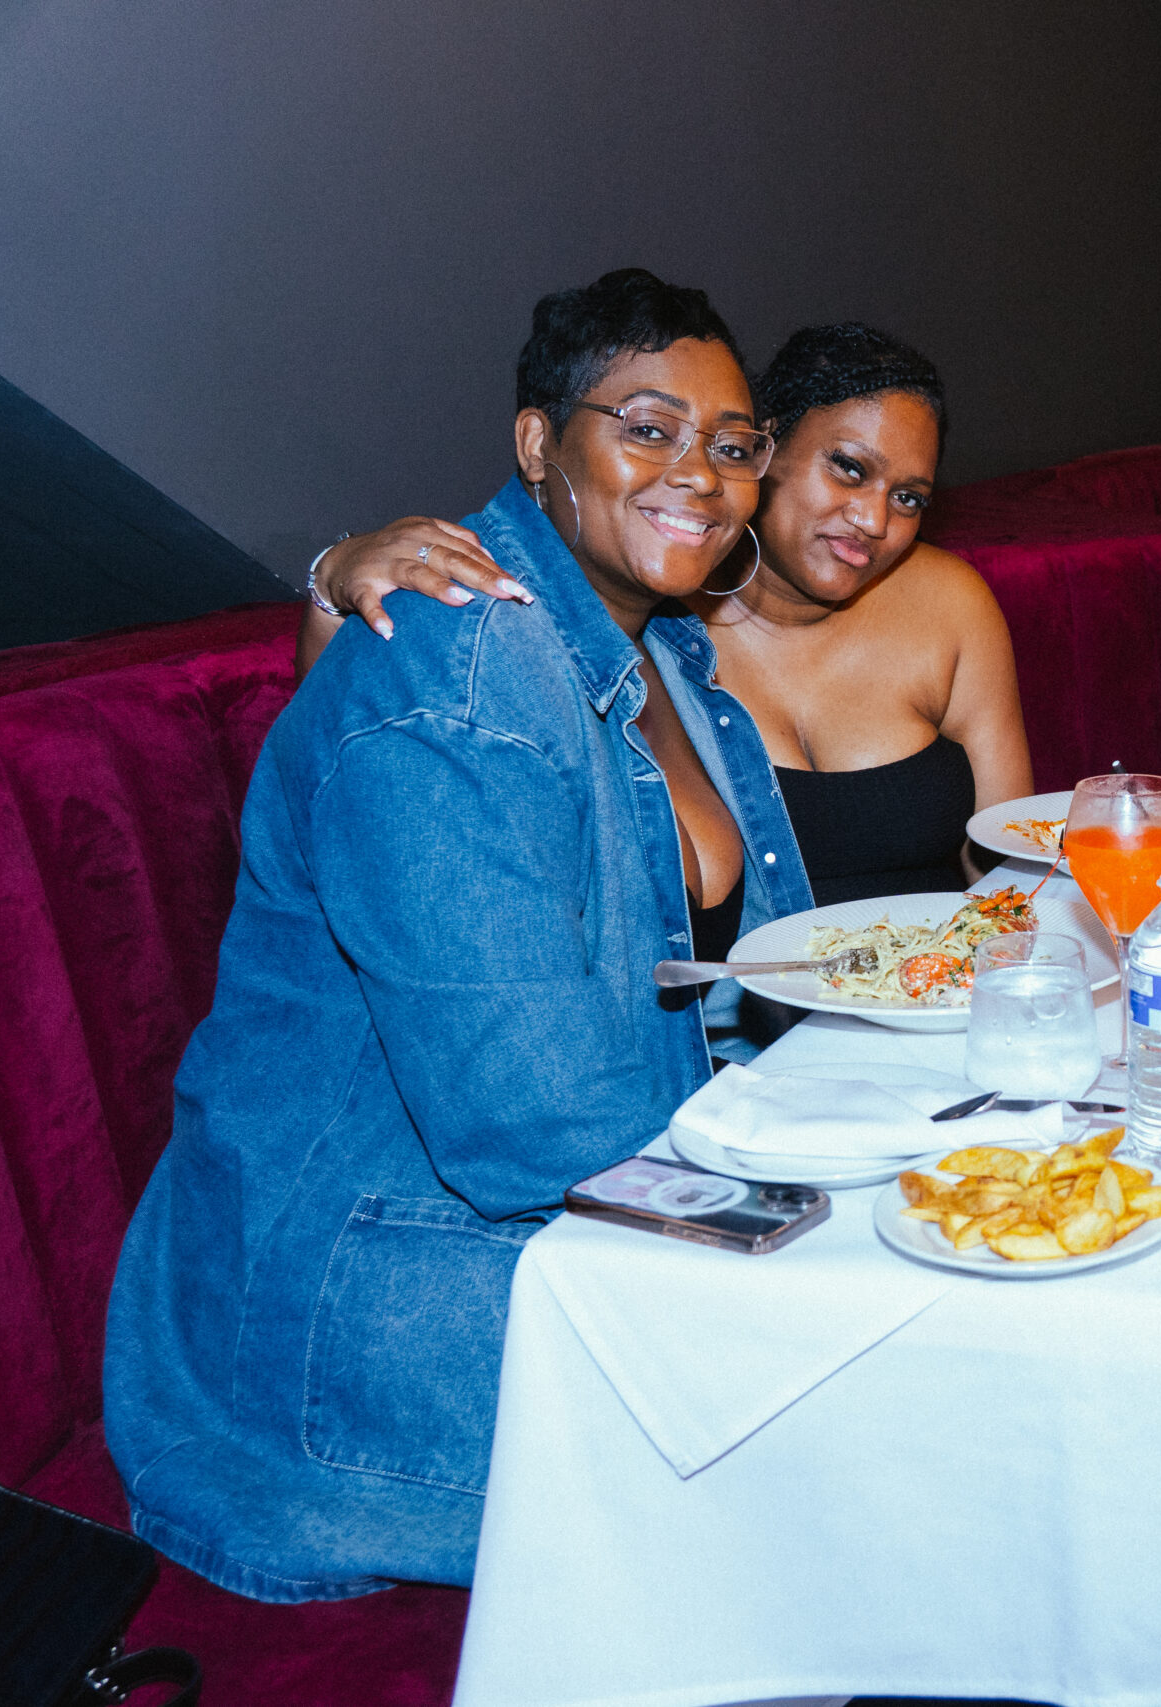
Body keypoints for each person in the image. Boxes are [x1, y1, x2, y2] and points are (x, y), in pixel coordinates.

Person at [105, 270, 813, 1600]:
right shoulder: (459, 680)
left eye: (733, 444)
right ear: (540, 442)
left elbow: (754, 991)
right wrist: (811, 1221)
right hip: (367, 1319)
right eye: (648, 428)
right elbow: (531, 1123)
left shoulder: (667, 654)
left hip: (569, 1228)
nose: (701, 473)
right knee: (892, 1435)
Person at [300, 322, 1033, 909]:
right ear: (763, 450)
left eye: (909, 498)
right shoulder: (657, 610)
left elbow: (1010, 866)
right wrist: (336, 573)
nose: (874, 519)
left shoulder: (950, 602)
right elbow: (366, 718)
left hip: (945, 1001)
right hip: (747, 1036)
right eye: (848, 467)